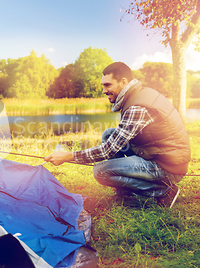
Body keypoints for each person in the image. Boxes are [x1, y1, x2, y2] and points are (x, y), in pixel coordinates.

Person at [44, 62, 191, 208]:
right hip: (157, 153)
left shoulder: (137, 107)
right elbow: (114, 142)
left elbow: (107, 150)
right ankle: (127, 191)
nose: (103, 90)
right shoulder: (139, 94)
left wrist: (67, 156)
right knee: (109, 134)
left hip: (168, 166)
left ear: (123, 82)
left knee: (100, 172)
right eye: (103, 85)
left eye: (107, 85)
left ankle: (163, 190)